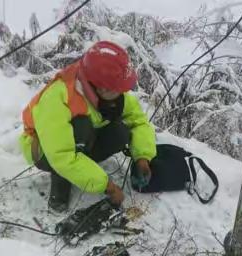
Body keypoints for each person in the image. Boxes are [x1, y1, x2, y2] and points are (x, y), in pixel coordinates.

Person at [19, 41, 156, 212]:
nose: (121, 94)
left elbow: (138, 121)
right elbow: (62, 155)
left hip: (81, 139)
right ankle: (61, 187)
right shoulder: (57, 98)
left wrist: (143, 157)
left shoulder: (110, 90)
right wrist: (106, 186)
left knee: (120, 132)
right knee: (80, 127)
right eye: (116, 89)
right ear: (98, 87)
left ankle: (82, 169)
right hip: (44, 150)